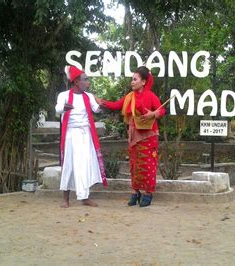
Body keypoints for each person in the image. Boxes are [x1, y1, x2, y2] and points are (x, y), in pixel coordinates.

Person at [97, 66, 165, 207]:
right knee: (134, 164)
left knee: (148, 164)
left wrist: (152, 114)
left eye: (135, 79)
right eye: (132, 79)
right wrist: (101, 102)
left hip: (149, 134)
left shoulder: (151, 96)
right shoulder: (130, 97)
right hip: (134, 135)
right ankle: (136, 192)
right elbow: (116, 105)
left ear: (144, 82)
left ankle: (148, 193)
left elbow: (162, 110)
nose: (132, 82)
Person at [55, 65, 107, 208]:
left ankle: (85, 197)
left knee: (85, 165)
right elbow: (57, 108)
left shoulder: (88, 96)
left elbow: (96, 109)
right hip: (71, 135)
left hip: (86, 135)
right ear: (76, 81)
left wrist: (102, 105)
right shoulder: (64, 95)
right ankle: (65, 199)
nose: (88, 82)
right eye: (85, 80)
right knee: (69, 165)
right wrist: (64, 108)